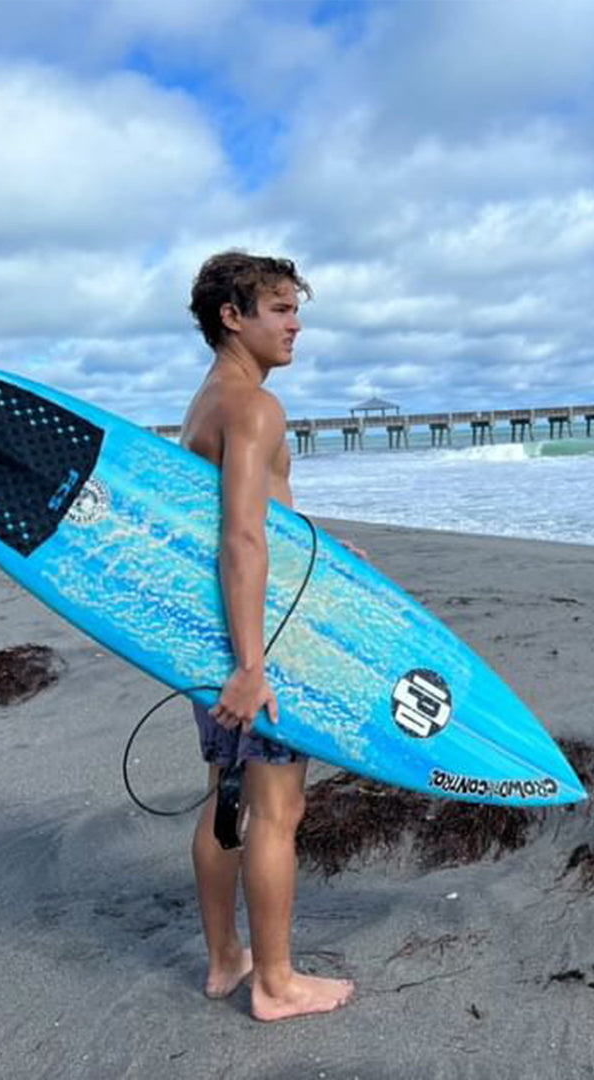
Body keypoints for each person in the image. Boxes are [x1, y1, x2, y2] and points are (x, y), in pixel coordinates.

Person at [181, 251, 354, 1022]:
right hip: (257, 641)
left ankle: (226, 961)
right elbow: (242, 539)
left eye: (296, 310)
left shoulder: (207, 401)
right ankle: (277, 984)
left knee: (225, 801)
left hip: (209, 637)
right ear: (233, 316)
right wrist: (254, 667)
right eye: (280, 310)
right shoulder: (255, 408)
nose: (295, 326)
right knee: (277, 812)